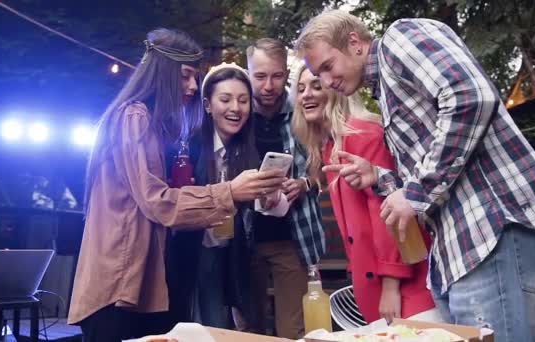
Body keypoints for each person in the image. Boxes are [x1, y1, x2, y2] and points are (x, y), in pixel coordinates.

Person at [296, 10, 535, 342]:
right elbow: (426, 179)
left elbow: (470, 97)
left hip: (490, 230)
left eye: (327, 67)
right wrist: (380, 176)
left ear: (355, 43)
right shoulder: (385, 89)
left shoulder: (400, 38)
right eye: (317, 74)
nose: (326, 83)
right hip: (457, 251)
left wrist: (415, 193)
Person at [67, 28, 286, 342]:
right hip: (119, 283)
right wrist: (230, 192)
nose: (192, 87)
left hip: (139, 281)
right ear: (162, 72)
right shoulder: (134, 117)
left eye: (195, 78)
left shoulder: (151, 124)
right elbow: (157, 201)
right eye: (185, 76)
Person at [291, 64, 440, 323]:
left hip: (405, 288)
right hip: (371, 285)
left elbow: (389, 211)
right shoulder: (329, 146)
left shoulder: (364, 134)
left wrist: (391, 287)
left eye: (316, 86)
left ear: (336, 90)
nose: (306, 95)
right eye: (300, 89)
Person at [166, 62, 259, 329]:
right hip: (191, 254)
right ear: (208, 105)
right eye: (225, 99)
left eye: (243, 100)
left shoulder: (247, 150)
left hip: (231, 253)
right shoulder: (186, 148)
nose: (235, 108)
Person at [245, 38, 325, 339]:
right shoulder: (237, 112)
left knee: (292, 330)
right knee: (249, 328)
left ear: (285, 73)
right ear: (249, 72)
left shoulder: (303, 109)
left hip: (292, 238)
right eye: (260, 76)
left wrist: (304, 184)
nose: (268, 85)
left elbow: (325, 167)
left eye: (277, 76)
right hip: (246, 237)